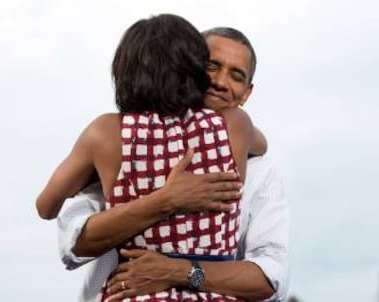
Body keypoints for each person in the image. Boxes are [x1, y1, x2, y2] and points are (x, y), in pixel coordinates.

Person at [36, 14, 267, 300]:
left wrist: (96, 174)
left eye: (235, 75)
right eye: (212, 67)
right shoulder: (235, 125)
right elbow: (262, 145)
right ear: (193, 70)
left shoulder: (106, 134)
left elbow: (46, 207)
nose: (220, 82)